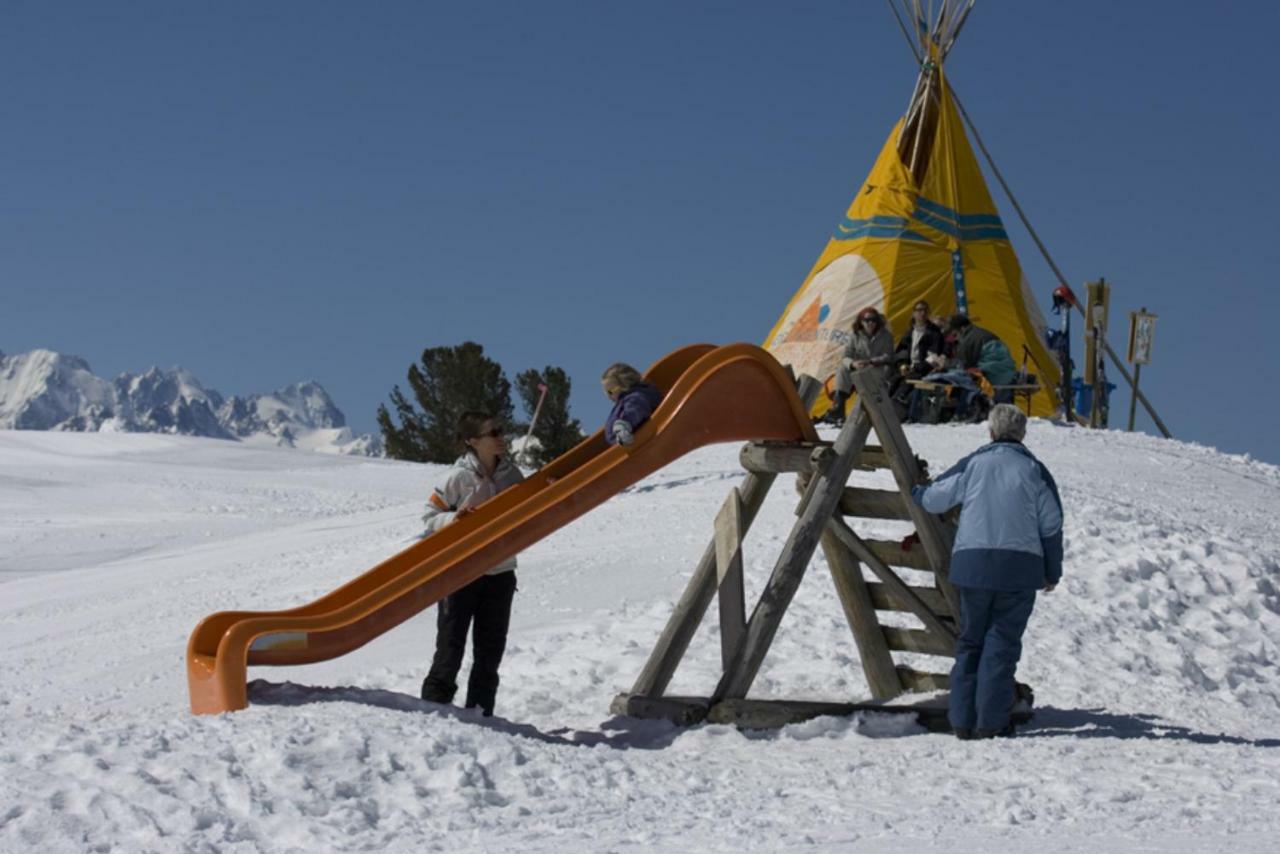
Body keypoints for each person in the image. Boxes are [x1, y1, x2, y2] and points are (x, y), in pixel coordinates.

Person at [911, 404, 1064, 739]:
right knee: (1002, 645)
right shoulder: (1034, 470)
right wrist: (1052, 571)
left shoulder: (975, 463)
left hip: (974, 566)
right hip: (1019, 571)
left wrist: (918, 493)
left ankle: (962, 721)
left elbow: (937, 497)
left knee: (970, 643)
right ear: (1022, 434)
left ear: (991, 432)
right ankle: (990, 722)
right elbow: (1051, 525)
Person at [420, 411, 525, 717]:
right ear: (473, 441)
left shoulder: (512, 476)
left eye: (501, 431)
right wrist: (454, 519)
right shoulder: (457, 477)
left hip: (501, 573)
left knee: (489, 654)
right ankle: (432, 712)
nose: (501, 437)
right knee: (450, 651)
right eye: (493, 433)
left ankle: (482, 715)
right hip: (459, 574)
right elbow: (429, 517)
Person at [820, 306, 895, 425]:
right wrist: (853, 363)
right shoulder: (856, 336)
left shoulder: (885, 336)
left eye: (873, 320)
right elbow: (846, 356)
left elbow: (888, 356)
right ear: (861, 322)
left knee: (884, 370)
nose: (870, 323)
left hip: (877, 368)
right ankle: (838, 408)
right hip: (859, 368)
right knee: (842, 369)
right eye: (867, 320)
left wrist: (870, 362)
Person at [602, 362, 664, 446]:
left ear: (624, 384)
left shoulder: (635, 398)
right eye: (606, 393)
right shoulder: (627, 400)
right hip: (623, 443)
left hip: (642, 443)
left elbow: (635, 410)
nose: (609, 396)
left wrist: (623, 425)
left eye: (610, 391)